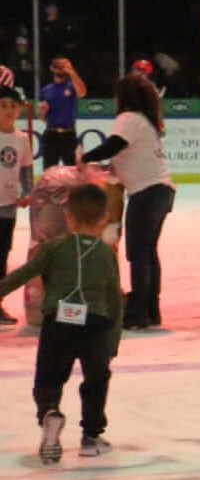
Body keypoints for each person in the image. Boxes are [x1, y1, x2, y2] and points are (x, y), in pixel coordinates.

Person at [0, 181, 122, 463]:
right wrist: (113, 338)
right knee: (96, 380)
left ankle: (49, 412)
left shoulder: (53, 247)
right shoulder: (106, 254)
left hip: (58, 323)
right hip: (96, 325)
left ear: (68, 216)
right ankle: (91, 436)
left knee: (49, 377)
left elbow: (23, 274)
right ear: (104, 218)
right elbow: (114, 299)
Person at [83, 72, 176, 331]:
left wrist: (84, 158)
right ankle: (150, 309)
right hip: (161, 190)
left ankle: (137, 313)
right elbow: (121, 157)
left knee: (138, 253)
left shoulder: (128, 118)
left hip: (146, 193)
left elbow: (114, 145)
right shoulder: (145, 121)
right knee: (148, 251)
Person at [0, 87, 31, 324]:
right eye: (3, 105)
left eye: (13, 105)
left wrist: (27, 192)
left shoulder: (21, 139)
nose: (9, 110)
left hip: (8, 207)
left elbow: (25, 170)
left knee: (2, 257)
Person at [38, 56, 86, 169]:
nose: (61, 70)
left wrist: (71, 71)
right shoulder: (46, 90)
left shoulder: (72, 86)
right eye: (59, 67)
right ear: (52, 69)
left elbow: (82, 92)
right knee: (49, 170)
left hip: (68, 134)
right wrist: (42, 112)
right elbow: (41, 117)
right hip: (51, 134)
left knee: (72, 170)